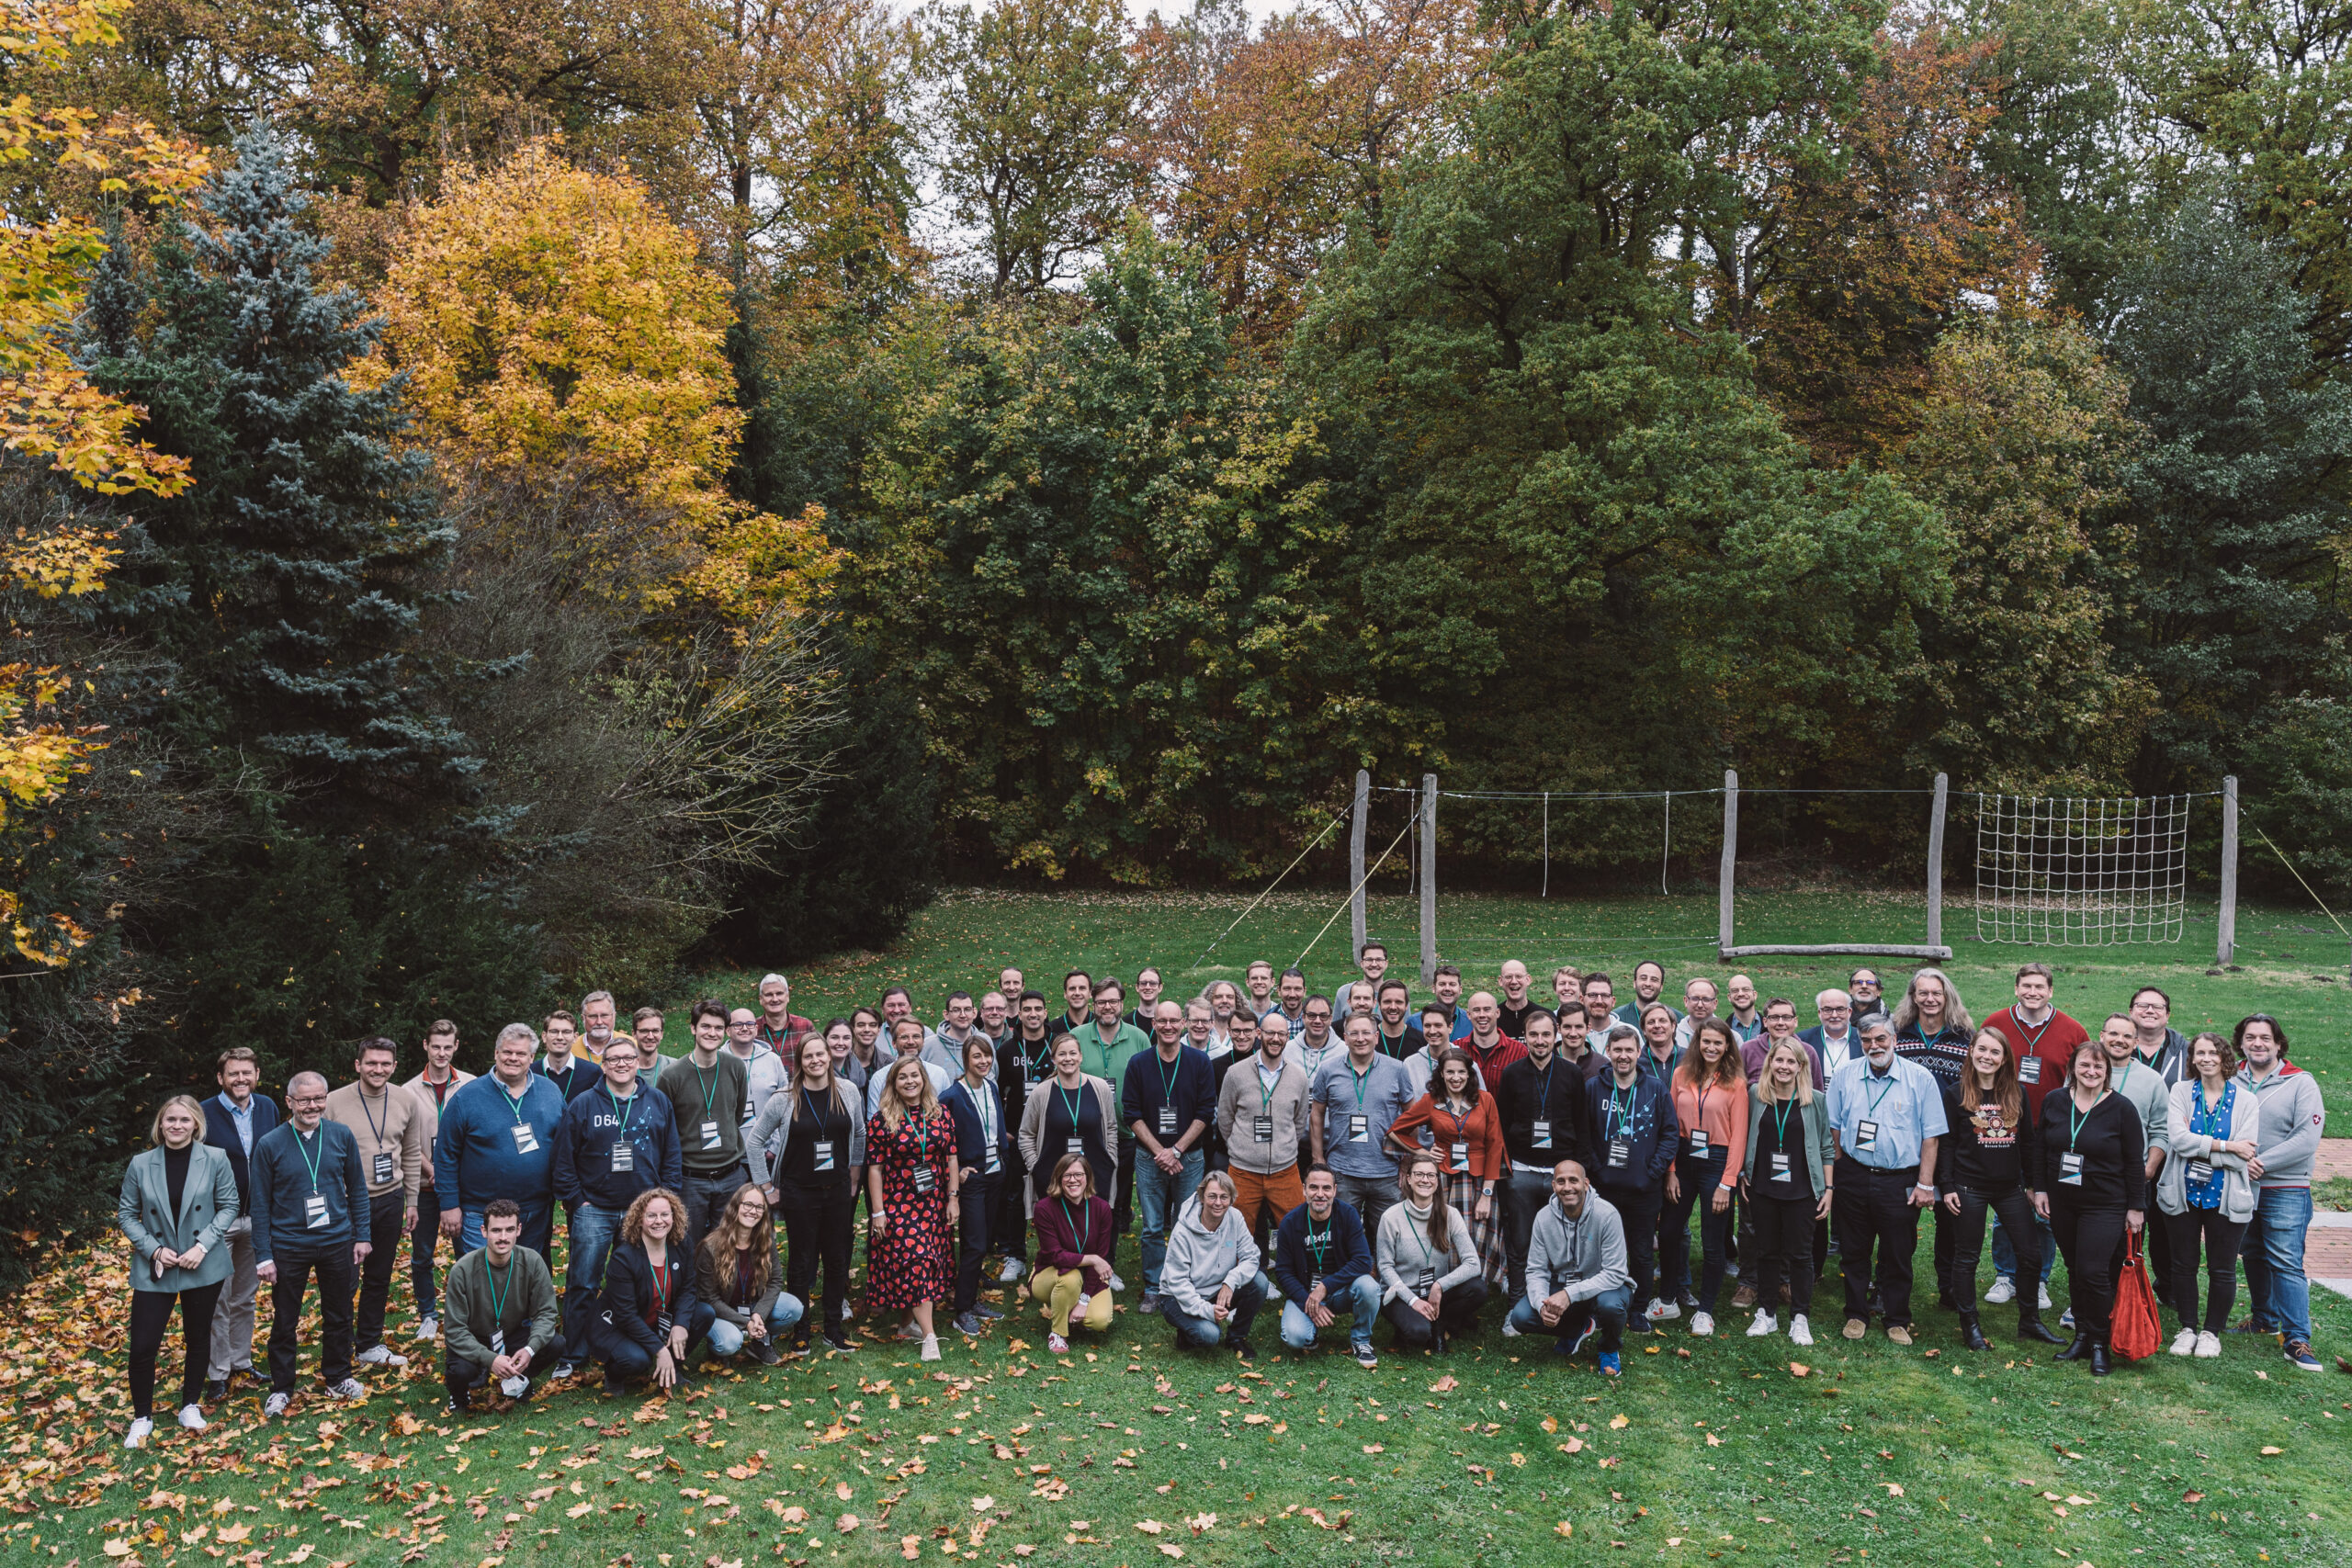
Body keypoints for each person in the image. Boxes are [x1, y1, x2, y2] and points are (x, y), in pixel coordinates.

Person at [548, 1034, 683, 1381]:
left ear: (638, 1062)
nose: (622, 1064)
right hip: (596, 1209)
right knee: (583, 1283)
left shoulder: (657, 1101)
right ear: (603, 1065)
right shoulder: (583, 1104)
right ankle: (574, 1353)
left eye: (628, 1058)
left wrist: (664, 1201)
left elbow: (671, 1155)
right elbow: (564, 1160)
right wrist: (578, 1202)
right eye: (614, 1059)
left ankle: (629, 1348)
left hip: (644, 1213)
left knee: (637, 1284)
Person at [119, 1096, 240, 1447]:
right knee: (143, 1345)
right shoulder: (141, 1163)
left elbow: (229, 1205)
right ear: (160, 1124)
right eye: (170, 1119)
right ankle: (142, 1417)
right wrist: (153, 1249)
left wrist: (201, 1247)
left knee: (198, 1336)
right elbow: (127, 1213)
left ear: (196, 1125)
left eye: (184, 1120)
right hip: (156, 1265)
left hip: (200, 1263)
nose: (176, 1125)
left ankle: (189, 1404)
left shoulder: (215, 1158)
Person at [250, 1072, 371, 1416]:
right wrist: (263, 1255)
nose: (313, 1106)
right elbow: (259, 1204)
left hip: (337, 1241)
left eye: (319, 1098)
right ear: (289, 1102)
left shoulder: (340, 1135)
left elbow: (358, 1190)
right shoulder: (270, 1144)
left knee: (340, 1313)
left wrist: (362, 1235)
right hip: (289, 1244)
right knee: (285, 1319)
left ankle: (338, 1375)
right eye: (304, 1100)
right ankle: (282, 1387)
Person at [1825, 1016, 1944, 1345]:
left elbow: (1931, 1137)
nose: (1873, 1046)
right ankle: (1856, 1314)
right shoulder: (1846, 1075)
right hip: (1854, 1174)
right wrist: (1839, 1170)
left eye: (1880, 1039)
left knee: (1898, 1252)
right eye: (1866, 1040)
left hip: (1899, 1180)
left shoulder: (1919, 1078)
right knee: (1853, 1250)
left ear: (1894, 1038)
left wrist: (1925, 1184)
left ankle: (1896, 1318)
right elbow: (1833, 1126)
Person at [1933, 1031, 2056, 1350]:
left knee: (2030, 1255)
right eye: (1982, 1049)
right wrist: (1945, 1186)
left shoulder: (2016, 1092)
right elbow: (1945, 1145)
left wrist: (2032, 1185)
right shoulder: (1955, 1093)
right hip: (1968, 1187)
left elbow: (2028, 1142)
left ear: (2004, 1059)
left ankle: (2029, 1321)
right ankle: (1970, 1325)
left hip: (2009, 1188)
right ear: (1972, 1051)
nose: (1987, 1056)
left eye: (1995, 1052)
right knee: (1967, 1258)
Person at [750, 1031, 865, 1354]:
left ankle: (833, 1327)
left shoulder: (848, 1091)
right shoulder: (785, 1098)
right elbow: (754, 1142)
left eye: (821, 1054)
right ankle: (801, 1329)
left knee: (837, 1259)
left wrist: (854, 1174)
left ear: (830, 1057)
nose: (816, 1060)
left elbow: (859, 1133)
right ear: (799, 1062)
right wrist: (767, 1187)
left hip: (839, 1190)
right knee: (801, 1262)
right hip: (799, 1192)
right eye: (808, 1056)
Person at [2036, 1038, 2146, 1375]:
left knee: (2093, 1271)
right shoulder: (2055, 1101)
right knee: (2073, 1269)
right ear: (2072, 1068)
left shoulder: (2122, 1108)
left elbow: (2133, 1162)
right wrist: (2039, 1189)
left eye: (2099, 1066)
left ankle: (2101, 1342)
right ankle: (2081, 1335)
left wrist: (2136, 1207)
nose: (2091, 1071)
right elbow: (2041, 1149)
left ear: (2107, 1071)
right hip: (2063, 1201)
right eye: (2084, 1064)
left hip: (2105, 1203)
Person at [2233, 1014, 2327, 1371]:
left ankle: (2298, 1338)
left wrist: (2261, 1163)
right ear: (2241, 1042)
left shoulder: (2300, 1083)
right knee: (2252, 1252)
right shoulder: (2230, 1078)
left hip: (2285, 1186)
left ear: (2278, 1044)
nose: (2258, 1043)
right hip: (2241, 1185)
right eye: (2251, 1037)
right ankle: (2263, 1318)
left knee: (2285, 1260)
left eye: (2265, 1038)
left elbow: (2306, 1139)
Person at [325, 1037, 423, 1372]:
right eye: (371, 1063)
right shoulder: (333, 1103)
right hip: (347, 1203)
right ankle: (338, 1348)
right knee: (344, 1279)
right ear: (358, 1065)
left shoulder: (405, 1100)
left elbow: (410, 1152)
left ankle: (368, 1342)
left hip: (390, 1199)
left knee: (379, 1276)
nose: (378, 1069)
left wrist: (412, 1200)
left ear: (394, 1066)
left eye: (385, 1064)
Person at [2158, 1032, 2257, 1359]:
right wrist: (2226, 1146)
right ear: (2192, 1058)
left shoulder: (2246, 1101)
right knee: (2183, 1265)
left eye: (2213, 1053)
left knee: (2222, 1268)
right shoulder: (2181, 1091)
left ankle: (2211, 1332)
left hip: (2225, 1195)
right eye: (2200, 1053)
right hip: (2183, 1191)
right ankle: (2187, 1327)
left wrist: (2201, 1148)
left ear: (2224, 1057)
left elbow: (2245, 1154)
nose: (2206, 1059)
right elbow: (2178, 1140)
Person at [435, 1022, 565, 1259]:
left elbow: (565, 1146)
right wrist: (449, 1204)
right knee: (483, 1280)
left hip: (534, 1211)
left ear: (532, 1057)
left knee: (523, 1276)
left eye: (520, 1054)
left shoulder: (551, 1092)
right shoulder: (467, 1097)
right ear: (496, 1053)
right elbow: (445, 1154)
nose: (513, 1058)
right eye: (507, 1052)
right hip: (480, 1212)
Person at [1579, 1024, 1675, 1329]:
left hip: (1643, 1189)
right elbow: (1583, 1136)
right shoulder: (1593, 1088)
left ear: (1639, 1052)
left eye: (1629, 1050)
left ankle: (1638, 1308)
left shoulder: (1656, 1089)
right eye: (1617, 1050)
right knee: (1598, 1250)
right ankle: (1599, 1303)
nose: (1623, 1056)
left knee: (1642, 1251)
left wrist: (1653, 1171)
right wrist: (1595, 1170)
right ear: (1607, 1052)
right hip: (1603, 1188)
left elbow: (1670, 1134)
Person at [1385, 1046, 1505, 1289]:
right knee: (1443, 1229)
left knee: (1474, 1232)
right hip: (1443, 1178)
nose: (1456, 1077)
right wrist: (1423, 1152)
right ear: (1441, 1074)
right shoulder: (1431, 1101)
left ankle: (1474, 1284)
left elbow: (1495, 1146)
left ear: (1469, 1074)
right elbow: (1396, 1130)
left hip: (1478, 1179)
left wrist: (1487, 1195)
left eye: (1461, 1072)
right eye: (1450, 1072)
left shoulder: (1485, 1100)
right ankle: (1444, 1282)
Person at [865, 1055, 959, 1362]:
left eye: (914, 1075)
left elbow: (951, 1158)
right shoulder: (882, 1120)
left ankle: (907, 1325)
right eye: (902, 1077)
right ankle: (930, 1336)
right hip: (899, 1203)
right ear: (893, 1083)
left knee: (925, 1263)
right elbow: (875, 1169)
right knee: (917, 1261)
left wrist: (953, 1197)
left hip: (932, 1202)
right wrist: (877, 1212)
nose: (909, 1081)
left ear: (923, 1078)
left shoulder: (941, 1114)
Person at [1125, 1000, 1215, 1315]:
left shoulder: (1199, 1062)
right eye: (1161, 1021)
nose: (1167, 1026)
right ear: (1154, 1025)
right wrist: (1159, 1152)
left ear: (1184, 1024)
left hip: (1189, 1158)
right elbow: (1131, 1113)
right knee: (1151, 1227)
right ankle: (1153, 1287)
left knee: (1186, 1223)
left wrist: (1176, 1150)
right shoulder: (1138, 1063)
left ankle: (1180, 1285)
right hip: (1149, 1159)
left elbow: (1205, 1112)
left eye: (1174, 1021)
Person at [1740, 1039, 1832, 1346]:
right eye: (1779, 1060)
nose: (1784, 1067)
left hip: (1802, 1191)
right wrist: (1744, 1172)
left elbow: (1826, 1148)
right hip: (1763, 1189)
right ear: (1769, 1064)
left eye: (1791, 1062)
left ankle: (1800, 1317)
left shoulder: (1815, 1100)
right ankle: (1767, 1313)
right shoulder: (1756, 1095)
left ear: (1801, 1066)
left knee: (1800, 1255)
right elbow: (1746, 1136)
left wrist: (1828, 1189)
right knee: (1765, 1251)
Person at [1893, 968, 1975, 1307]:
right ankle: (1892, 1285)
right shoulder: (1898, 1033)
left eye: (1936, 993)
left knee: (1949, 1216)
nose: (1929, 999)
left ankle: (1949, 1287)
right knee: (1901, 1218)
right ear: (1913, 997)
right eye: (1922, 993)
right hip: (1907, 1137)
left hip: (1952, 1139)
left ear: (1947, 997)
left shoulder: (1965, 1036)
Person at [1660, 1019, 1747, 1336]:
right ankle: (1667, 1298)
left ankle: (1705, 1311)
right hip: (1682, 1159)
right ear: (1697, 1043)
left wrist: (1727, 1183)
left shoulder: (1735, 1083)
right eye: (1705, 1041)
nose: (1710, 1048)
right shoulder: (1681, 1074)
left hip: (1717, 1160)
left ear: (1727, 1047)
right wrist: (1669, 1171)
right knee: (1668, 1231)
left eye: (1717, 1043)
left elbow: (1739, 1136)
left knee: (1713, 1242)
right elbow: (1670, 1125)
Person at [200, 1047, 277, 1400]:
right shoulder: (203, 1113)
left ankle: (241, 1360)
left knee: (246, 1297)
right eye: (233, 1073)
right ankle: (217, 1371)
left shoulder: (268, 1108)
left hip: (258, 1217)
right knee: (219, 1297)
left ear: (257, 1074)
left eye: (247, 1072)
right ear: (221, 1078)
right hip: (219, 1221)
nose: (241, 1079)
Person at [1508, 1158, 1632, 1376]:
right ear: (1553, 1186)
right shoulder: (1543, 1218)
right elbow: (1536, 1270)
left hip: (1604, 1288)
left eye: (1573, 1180)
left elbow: (1615, 1273)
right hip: (1564, 1285)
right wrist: (1541, 1305)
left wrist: (1568, 1294)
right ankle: (1577, 1329)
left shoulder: (1607, 1215)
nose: (1567, 1187)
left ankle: (1609, 1348)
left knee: (1612, 1306)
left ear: (1585, 1184)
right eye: (1561, 1181)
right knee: (1521, 1316)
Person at [1018, 1032, 1121, 1292]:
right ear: (1053, 1058)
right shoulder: (1042, 1092)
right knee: (1061, 1224)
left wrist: (1110, 1158)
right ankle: (1059, 1275)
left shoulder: (1098, 1088)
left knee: (1095, 1222)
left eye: (1072, 1053)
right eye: (1061, 1054)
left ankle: (1103, 1268)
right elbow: (1026, 1134)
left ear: (1081, 1056)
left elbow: (1110, 1126)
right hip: (1054, 1175)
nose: (1068, 1058)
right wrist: (1036, 1166)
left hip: (1095, 1171)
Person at [1497, 1011, 1584, 1304]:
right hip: (1522, 1171)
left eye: (1546, 1034)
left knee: (1565, 1241)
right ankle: (1518, 1301)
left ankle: (1559, 1298)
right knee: (1520, 1241)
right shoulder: (1512, 1074)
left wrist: (1579, 1172)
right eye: (1533, 1035)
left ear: (1556, 1035)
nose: (1540, 1040)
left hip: (1562, 1174)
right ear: (1525, 1037)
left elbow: (1581, 1124)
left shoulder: (1572, 1074)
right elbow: (1503, 1124)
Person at [441, 1199, 560, 1414]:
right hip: (474, 1337)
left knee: (555, 1343)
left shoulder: (532, 1261)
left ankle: (518, 1377)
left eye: (509, 1230)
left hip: (511, 1334)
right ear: (484, 1231)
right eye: (496, 1230)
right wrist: (491, 1359)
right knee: (460, 1370)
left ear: (519, 1230)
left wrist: (530, 1349)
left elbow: (546, 1312)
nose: (503, 1237)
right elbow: (454, 1331)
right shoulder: (463, 1270)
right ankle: (460, 1395)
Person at [655, 999, 752, 1254]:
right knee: (687, 1245)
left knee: (730, 1244)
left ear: (726, 1031)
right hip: (690, 1179)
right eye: (705, 1026)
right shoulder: (671, 1076)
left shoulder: (735, 1068)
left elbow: (737, 1114)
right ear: (693, 1028)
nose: (712, 1033)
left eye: (718, 1028)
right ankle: (690, 1294)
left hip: (731, 1175)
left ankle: (723, 1293)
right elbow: (664, 1129)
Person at [1309, 1014, 1417, 1239]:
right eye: (1354, 1033)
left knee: (1388, 1236)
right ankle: (1346, 1273)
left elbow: (1411, 1116)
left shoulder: (1397, 1070)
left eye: (1366, 1033)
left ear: (1376, 1037)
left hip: (1386, 1171)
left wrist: (1407, 1161)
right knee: (1340, 1233)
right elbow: (1317, 1114)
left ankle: (1381, 1272)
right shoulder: (1328, 1070)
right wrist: (1318, 1158)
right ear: (1344, 1037)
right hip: (1342, 1170)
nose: (1360, 1039)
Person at [1217, 1001, 1312, 1249]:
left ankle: (1298, 1277)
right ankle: (1243, 1283)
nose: (1276, 1039)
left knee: (1298, 1230)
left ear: (1287, 1038)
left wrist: (1282, 1145)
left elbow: (1299, 1120)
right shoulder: (1236, 1073)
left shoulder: (1298, 1076)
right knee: (1237, 1234)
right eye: (1270, 1032)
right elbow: (1225, 1119)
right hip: (1243, 1170)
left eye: (1281, 1034)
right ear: (1259, 1034)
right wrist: (1242, 1147)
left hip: (1284, 1169)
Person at [2098, 1010, 2171, 1329]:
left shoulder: (2151, 1080)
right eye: (2113, 1034)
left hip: (2131, 1176)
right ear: (2101, 1036)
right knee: (2089, 1243)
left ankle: (2122, 1305)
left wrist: (2148, 1171)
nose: (2120, 1040)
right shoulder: (2085, 1071)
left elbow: (2161, 1131)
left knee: (2124, 1246)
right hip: (2089, 1174)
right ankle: (2088, 1301)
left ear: (2137, 1042)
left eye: (2127, 1036)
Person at [401, 1021, 471, 1346]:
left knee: (467, 1254)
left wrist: (449, 1176)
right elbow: (406, 1140)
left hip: (463, 1188)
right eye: (435, 1047)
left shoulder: (471, 1085)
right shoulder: (407, 1091)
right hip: (426, 1186)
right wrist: (434, 1171)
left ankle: (468, 1312)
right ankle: (427, 1315)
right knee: (422, 1255)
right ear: (425, 1046)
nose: (441, 1053)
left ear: (456, 1047)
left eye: (448, 1047)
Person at [588, 1187, 696, 1395]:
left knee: (703, 1315)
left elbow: (688, 1289)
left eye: (665, 1214)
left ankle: (671, 1366)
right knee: (638, 1359)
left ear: (674, 1216)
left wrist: (681, 1325)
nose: (659, 1221)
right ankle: (614, 1374)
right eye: (651, 1216)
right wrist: (659, 1349)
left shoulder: (681, 1244)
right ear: (639, 1219)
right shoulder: (624, 1258)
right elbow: (626, 1315)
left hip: (656, 1319)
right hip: (619, 1326)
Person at [1376, 1151, 1488, 1351]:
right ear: (1408, 1179)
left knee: (1478, 1289)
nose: (1425, 1180)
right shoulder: (1390, 1217)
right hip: (1401, 1292)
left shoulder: (1450, 1214)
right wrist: (1413, 1301)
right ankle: (1413, 1325)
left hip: (1435, 1292)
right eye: (1419, 1174)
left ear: (1437, 1181)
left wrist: (1439, 1285)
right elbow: (1385, 1267)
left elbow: (1473, 1264)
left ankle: (1440, 1322)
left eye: (1430, 1175)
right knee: (1418, 1333)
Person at [944, 1035, 1018, 1336]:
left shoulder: (990, 1087)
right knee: (973, 1243)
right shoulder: (952, 1096)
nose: (984, 1061)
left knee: (985, 1240)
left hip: (996, 1173)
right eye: (977, 1057)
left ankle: (973, 1299)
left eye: (987, 1056)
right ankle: (961, 1309)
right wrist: (958, 1169)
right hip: (972, 1179)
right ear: (966, 1060)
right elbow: (942, 1140)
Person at [1272, 1165, 1381, 1367]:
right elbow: (1283, 1272)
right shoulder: (1290, 1222)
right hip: (1306, 1293)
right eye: (1313, 1188)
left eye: (1326, 1188)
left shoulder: (1348, 1215)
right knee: (1296, 1338)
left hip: (1341, 1291)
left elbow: (1363, 1261)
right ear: (1304, 1190)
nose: (1320, 1194)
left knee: (1369, 1286)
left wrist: (1325, 1286)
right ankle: (1311, 1333)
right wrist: (1310, 1301)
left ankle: (1361, 1340)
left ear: (1335, 1190)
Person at [692, 1183, 802, 1365]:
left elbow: (775, 1281)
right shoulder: (710, 1247)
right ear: (736, 1207)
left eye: (759, 1207)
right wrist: (745, 1323)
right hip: (720, 1311)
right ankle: (716, 1349)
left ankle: (759, 1342)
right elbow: (708, 1298)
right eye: (748, 1204)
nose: (753, 1211)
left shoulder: (765, 1241)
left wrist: (759, 1314)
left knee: (793, 1308)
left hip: (752, 1305)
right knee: (730, 1342)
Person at [1159, 1172, 1265, 1358]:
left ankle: (1236, 1338)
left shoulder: (1235, 1217)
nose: (1218, 1203)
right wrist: (1207, 1311)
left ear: (1232, 1198)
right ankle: (1186, 1332)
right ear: (1201, 1196)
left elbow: (1251, 1257)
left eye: (1224, 1197)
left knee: (1260, 1282)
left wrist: (1230, 1282)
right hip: (1176, 1297)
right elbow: (1178, 1282)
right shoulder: (1183, 1230)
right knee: (1209, 1335)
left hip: (1217, 1289)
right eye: (1212, 1196)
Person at [1074, 978, 1149, 1235]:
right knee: (1087, 1184)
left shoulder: (1139, 1037)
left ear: (1122, 1004)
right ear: (1093, 1005)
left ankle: (1116, 1231)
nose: (1108, 1007)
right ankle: (1085, 1230)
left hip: (1127, 1130)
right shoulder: (1077, 1037)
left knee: (1122, 1185)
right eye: (1102, 1002)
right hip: (1086, 1130)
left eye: (1113, 1002)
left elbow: (1147, 1085)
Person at [1031, 1153, 1117, 1353]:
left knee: (1100, 1320)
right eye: (1067, 1175)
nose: (1073, 1180)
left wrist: (1084, 1301)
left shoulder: (1102, 1208)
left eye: (1078, 1174)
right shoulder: (1044, 1208)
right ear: (1058, 1179)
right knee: (1069, 1277)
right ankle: (1058, 1333)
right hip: (1050, 1273)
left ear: (1087, 1177)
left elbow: (1101, 1259)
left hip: (1090, 1277)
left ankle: (1069, 1308)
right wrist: (1092, 1259)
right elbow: (1056, 1256)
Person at [866, 1015, 956, 1120]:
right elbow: (872, 1120)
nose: (911, 1042)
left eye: (916, 1036)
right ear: (894, 1043)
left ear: (923, 1041)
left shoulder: (939, 1074)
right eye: (904, 1037)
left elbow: (949, 1116)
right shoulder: (880, 1078)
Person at [727, 1004, 789, 1142]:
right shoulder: (719, 1062)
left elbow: (786, 1105)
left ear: (756, 1029)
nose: (744, 1028)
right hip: (730, 1152)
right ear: (728, 1031)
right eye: (738, 1024)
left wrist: (776, 1145)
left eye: (749, 1024)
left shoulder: (773, 1060)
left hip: (767, 1150)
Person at [1459, 992, 1527, 1088]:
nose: (1482, 1015)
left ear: (1497, 1013)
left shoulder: (1518, 1051)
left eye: (1487, 1010)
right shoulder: (1458, 1048)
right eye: (1476, 1010)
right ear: (1469, 1015)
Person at [2129, 987, 2189, 1089]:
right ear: (2130, 1012)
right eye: (2142, 1005)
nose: (2150, 1011)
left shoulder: (2189, 1052)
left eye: (2158, 1007)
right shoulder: (2114, 1048)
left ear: (2167, 1015)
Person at [535, 1013, 599, 1100]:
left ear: (575, 1037)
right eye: (554, 1031)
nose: (560, 1037)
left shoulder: (593, 1073)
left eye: (566, 1032)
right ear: (544, 1036)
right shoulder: (530, 1072)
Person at [1801, 989, 1862, 1079]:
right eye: (1827, 1010)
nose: (1834, 1015)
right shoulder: (1803, 1041)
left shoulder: (1864, 1039)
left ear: (1849, 1012)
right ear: (1819, 1013)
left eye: (1840, 1009)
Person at [754, 973, 815, 1060]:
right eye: (769, 995)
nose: (775, 999)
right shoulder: (751, 1029)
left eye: (779, 993)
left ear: (787, 997)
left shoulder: (805, 1026)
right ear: (761, 999)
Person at [1615, 962, 1675, 1030]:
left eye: (1654, 980)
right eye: (1643, 978)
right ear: (1634, 983)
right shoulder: (1617, 1018)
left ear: (1661, 987)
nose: (1648, 984)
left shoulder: (1675, 1018)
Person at [1372, 980, 1422, 1061]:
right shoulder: (1369, 1039)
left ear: (1406, 1005)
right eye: (1387, 1002)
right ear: (1379, 1004)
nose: (1393, 1007)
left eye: (1398, 1002)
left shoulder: (1421, 1040)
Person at [1292, 995, 1340, 1081]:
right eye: (1312, 1015)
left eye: (1323, 1016)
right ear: (1303, 1018)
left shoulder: (1344, 1052)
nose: (1317, 1021)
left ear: (1330, 1019)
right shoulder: (1288, 1050)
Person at [1671, 977, 1718, 1054]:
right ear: (1686, 1001)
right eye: (1695, 999)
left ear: (1715, 1003)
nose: (1700, 1005)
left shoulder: (1730, 1036)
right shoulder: (1672, 1037)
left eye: (1706, 999)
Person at [1637, 1003, 1682, 1082]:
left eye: (1662, 1021)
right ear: (1644, 1030)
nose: (1657, 1025)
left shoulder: (1689, 1058)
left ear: (1673, 1026)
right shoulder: (1636, 1062)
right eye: (1651, 1022)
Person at [1495, 960, 1538, 1038]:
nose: (1514, 981)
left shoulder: (1543, 1015)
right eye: (1508, 977)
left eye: (1519, 976)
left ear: (1528, 979)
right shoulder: (1492, 1018)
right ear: (1500, 981)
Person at [578, 992, 623, 1064]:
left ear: (614, 1016)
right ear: (583, 1018)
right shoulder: (569, 1048)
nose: (599, 1022)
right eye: (593, 1016)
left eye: (604, 1015)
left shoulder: (633, 1046)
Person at [1721, 975, 1762, 1043]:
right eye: (1735, 991)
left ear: (1755, 995)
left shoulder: (1769, 1028)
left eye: (1746, 989)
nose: (1740, 994)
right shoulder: (1722, 1030)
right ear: (1729, 997)